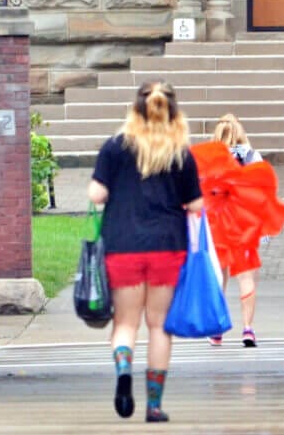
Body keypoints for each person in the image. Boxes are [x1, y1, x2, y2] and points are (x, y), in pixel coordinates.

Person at [88, 81, 203, 423]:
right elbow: (195, 203)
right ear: (173, 111)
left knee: (125, 323)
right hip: (168, 247)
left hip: (122, 245)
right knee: (159, 327)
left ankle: (124, 370)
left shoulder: (115, 147)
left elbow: (96, 194)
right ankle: (154, 406)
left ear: (134, 108)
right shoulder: (181, 152)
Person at [210, 113, 264, 348]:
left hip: (220, 224)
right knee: (246, 277)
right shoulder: (253, 157)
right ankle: (248, 328)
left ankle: (217, 330)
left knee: (219, 277)